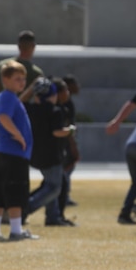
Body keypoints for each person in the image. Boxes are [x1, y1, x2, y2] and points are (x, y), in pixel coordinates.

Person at [0, 30, 43, 223]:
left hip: (0, 130)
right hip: (16, 132)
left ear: (18, 46)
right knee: (16, 179)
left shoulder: (4, 66)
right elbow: (22, 103)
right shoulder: (35, 73)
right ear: (33, 47)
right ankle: (12, 216)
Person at [0, 61, 37, 242]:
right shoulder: (8, 96)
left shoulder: (9, 97)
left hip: (5, 153)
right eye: (17, 79)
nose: (22, 82)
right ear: (5, 79)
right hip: (13, 153)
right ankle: (16, 230)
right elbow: (3, 117)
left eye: (23, 79)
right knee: (16, 190)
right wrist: (19, 136)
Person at [26, 78, 75, 227]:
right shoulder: (55, 111)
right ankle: (24, 208)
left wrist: (31, 90)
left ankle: (52, 216)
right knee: (54, 188)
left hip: (35, 153)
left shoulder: (31, 109)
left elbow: (20, 102)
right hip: (52, 155)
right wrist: (69, 131)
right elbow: (57, 132)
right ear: (53, 95)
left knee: (49, 184)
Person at [60, 74, 81, 208]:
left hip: (67, 141)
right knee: (66, 169)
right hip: (65, 142)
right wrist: (73, 145)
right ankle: (63, 196)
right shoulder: (66, 104)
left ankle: (64, 195)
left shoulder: (68, 102)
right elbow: (67, 125)